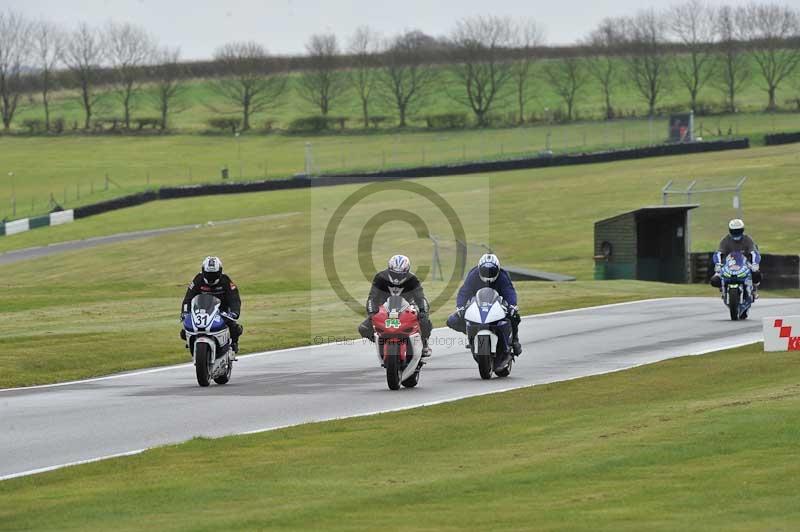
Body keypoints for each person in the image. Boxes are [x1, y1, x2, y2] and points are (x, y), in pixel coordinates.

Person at [447, 253, 522, 356]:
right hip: (477, 304)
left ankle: (514, 340)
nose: (488, 275)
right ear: (479, 269)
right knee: (452, 320)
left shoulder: (502, 275)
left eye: (492, 271)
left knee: (514, 316)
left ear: (497, 269)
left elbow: (509, 291)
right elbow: (464, 291)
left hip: (498, 304)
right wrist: (460, 306)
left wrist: (512, 305)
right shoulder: (473, 274)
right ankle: (472, 335)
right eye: (485, 271)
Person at [358, 254, 433, 357]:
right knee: (364, 328)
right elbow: (372, 297)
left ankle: (423, 343)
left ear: (406, 272)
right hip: (384, 308)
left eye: (400, 275)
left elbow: (421, 298)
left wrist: (423, 312)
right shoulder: (380, 277)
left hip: (407, 307)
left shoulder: (413, 279)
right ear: (389, 269)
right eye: (394, 274)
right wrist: (372, 313)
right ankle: (382, 342)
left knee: (425, 322)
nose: (397, 279)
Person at [181, 256, 243, 355]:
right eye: (208, 274)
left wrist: (234, 312)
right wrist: (184, 312)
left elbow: (234, 298)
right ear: (203, 271)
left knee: (235, 328)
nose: (211, 277)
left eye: (214, 274)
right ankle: (193, 344)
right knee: (184, 331)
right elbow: (188, 297)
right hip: (202, 310)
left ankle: (233, 345)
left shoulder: (225, 280)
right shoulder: (198, 279)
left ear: (220, 272)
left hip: (222, 311)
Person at [710, 219, 762, 297]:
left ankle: (754, 289)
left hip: (745, 264)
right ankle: (723, 288)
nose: (736, 233)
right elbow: (718, 253)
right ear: (730, 231)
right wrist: (718, 264)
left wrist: (755, 263)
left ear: (742, 230)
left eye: (738, 231)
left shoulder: (747, 239)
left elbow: (754, 252)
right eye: (734, 231)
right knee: (714, 280)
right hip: (728, 264)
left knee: (757, 274)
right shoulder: (725, 240)